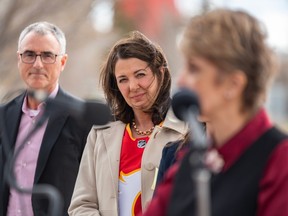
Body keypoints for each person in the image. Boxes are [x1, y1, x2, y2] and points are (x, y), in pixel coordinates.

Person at [143, 8, 288, 216]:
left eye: (194, 69)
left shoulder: (279, 160)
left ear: (233, 84)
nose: (182, 80)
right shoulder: (193, 157)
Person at [68, 31, 187, 216]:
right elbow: (81, 205)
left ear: (160, 73)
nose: (132, 86)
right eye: (123, 79)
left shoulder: (186, 131)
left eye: (140, 75)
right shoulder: (100, 133)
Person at [0, 22, 94, 216]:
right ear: (19, 59)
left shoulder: (81, 118)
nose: (37, 64)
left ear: (62, 62)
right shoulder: (3, 115)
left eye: (47, 55)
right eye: (29, 54)